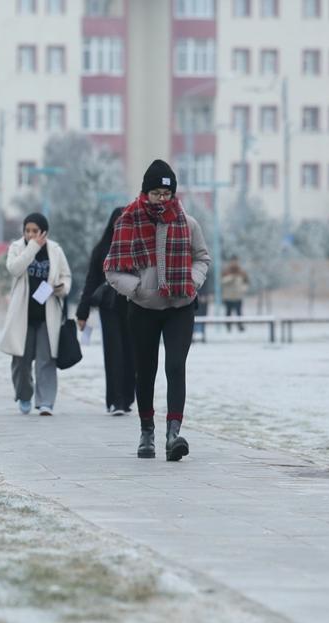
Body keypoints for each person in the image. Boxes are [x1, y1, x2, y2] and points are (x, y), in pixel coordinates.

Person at [104, 160, 211, 461]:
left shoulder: (188, 224)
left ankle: (173, 434)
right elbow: (112, 269)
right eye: (156, 193)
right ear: (145, 192)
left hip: (180, 305)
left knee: (175, 367)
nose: (162, 199)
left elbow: (202, 258)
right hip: (143, 309)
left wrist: (191, 281)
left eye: (167, 193)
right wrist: (137, 288)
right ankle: (146, 431)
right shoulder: (128, 222)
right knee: (145, 371)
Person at [0, 213, 71, 416]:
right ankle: (23, 395)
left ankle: (45, 401)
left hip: (47, 314)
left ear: (44, 232)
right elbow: (14, 269)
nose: (30, 234)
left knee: (46, 360)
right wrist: (32, 248)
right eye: (27, 230)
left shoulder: (55, 250)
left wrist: (62, 287)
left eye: (35, 231)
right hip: (23, 313)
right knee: (21, 360)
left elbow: (66, 275)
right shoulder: (17, 248)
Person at [76, 207, 136, 416]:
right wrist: (82, 312)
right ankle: (115, 401)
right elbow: (91, 280)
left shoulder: (137, 246)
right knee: (113, 353)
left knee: (132, 353)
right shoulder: (102, 248)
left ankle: (128, 397)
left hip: (133, 306)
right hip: (108, 307)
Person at [221, 256, 251, 332]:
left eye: (236, 261)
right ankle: (228, 326)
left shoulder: (242, 272)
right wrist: (230, 278)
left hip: (238, 296)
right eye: (233, 261)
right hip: (228, 296)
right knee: (228, 312)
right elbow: (221, 282)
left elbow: (246, 282)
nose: (234, 263)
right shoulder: (226, 271)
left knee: (239, 312)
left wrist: (243, 289)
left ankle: (240, 325)